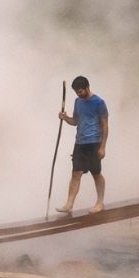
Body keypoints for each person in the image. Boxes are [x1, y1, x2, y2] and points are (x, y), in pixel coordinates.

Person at [55, 75, 109, 214]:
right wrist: (65, 118)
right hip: (80, 142)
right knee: (76, 173)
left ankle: (100, 202)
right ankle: (69, 204)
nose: (78, 94)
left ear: (87, 87)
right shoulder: (77, 102)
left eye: (80, 91)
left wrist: (102, 147)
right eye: (76, 92)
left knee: (96, 173)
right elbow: (75, 121)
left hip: (94, 142)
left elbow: (105, 125)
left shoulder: (99, 102)